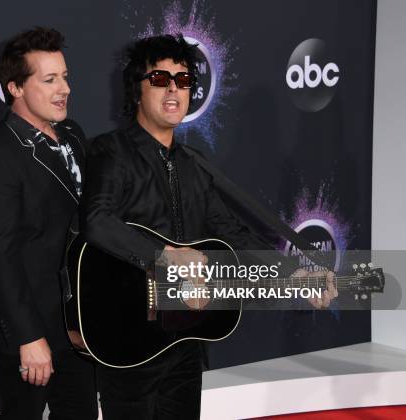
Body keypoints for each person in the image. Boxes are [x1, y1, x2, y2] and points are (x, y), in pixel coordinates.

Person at [82, 34, 337, 420]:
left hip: (186, 335)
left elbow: (232, 232)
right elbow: (97, 221)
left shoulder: (194, 164)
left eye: (183, 81)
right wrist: (164, 256)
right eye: (160, 78)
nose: (173, 89)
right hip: (128, 336)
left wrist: (293, 272)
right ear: (137, 88)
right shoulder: (111, 150)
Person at [0, 27, 97, 420]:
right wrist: (28, 336)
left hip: (76, 324)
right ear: (15, 88)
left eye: (65, 76)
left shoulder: (73, 135)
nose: (64, 88)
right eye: (49, 79)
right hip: (31, 331)